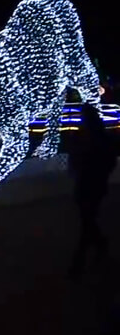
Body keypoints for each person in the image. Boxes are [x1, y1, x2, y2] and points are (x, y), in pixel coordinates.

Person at [68, 103, 116, 278]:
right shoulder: (97, 137)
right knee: (88, 220)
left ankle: (79, 261)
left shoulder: (89, 138)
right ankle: (99, 246)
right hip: (91, 184)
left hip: (89, 184)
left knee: (87, 221)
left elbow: (77, 160)